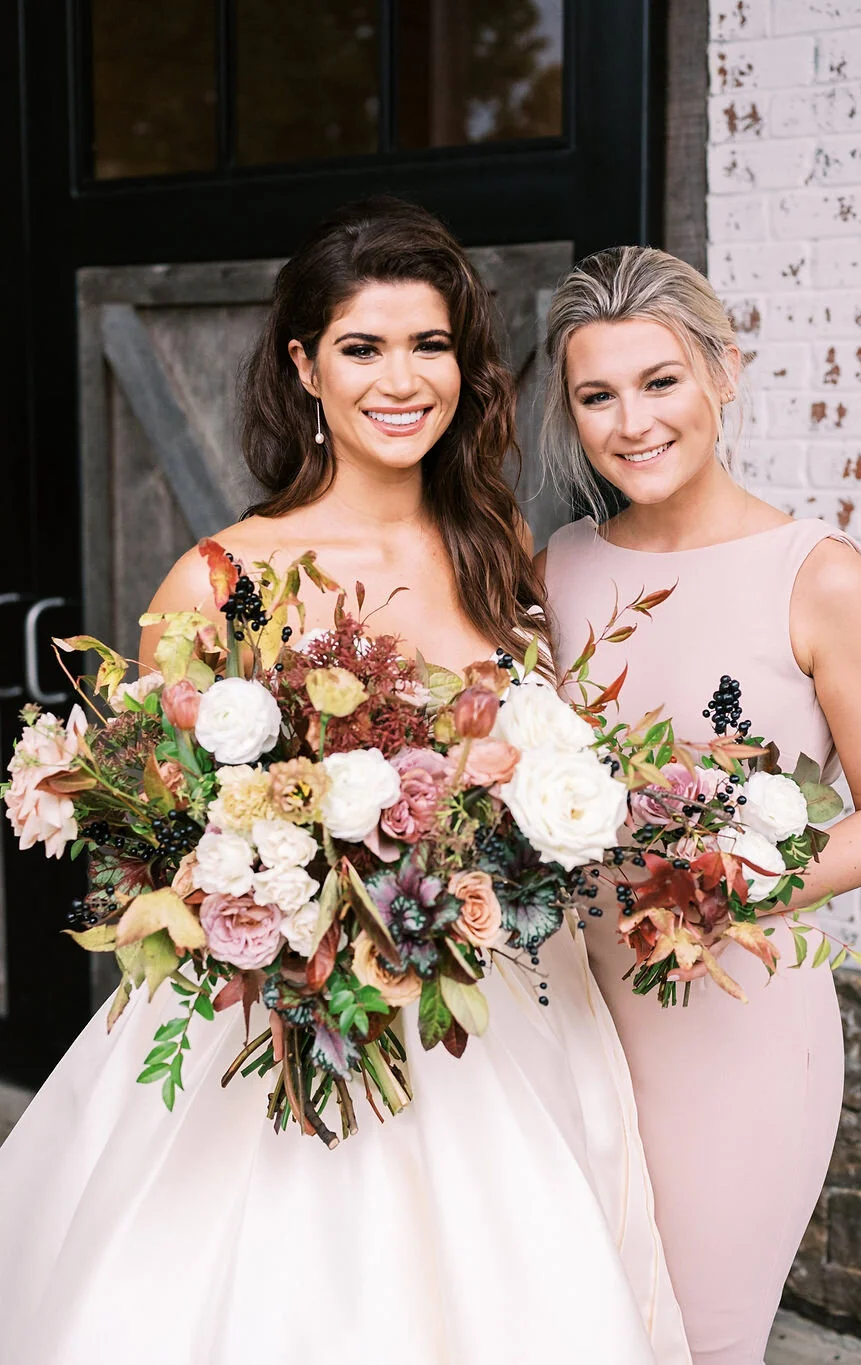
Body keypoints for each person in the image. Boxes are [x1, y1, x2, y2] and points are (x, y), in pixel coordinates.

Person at [0, 204, 691, 1365]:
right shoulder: (222, 576)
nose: (401, 379)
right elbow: (156, 838)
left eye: (429, 346)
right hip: (284, 1020)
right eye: (363, 348)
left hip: (495, 1005)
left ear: (465, 370)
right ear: (302, 366)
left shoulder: (499, 550)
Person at [538, 245, 861, 1365]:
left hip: (739, 1027)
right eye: (596, 395)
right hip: (575, 1013)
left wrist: (725, 884)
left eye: (660, 381)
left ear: (723, 373)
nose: (632, 422)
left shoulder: (818, 576)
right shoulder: (556, 567)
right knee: (584, 1324)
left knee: (702, 1343)